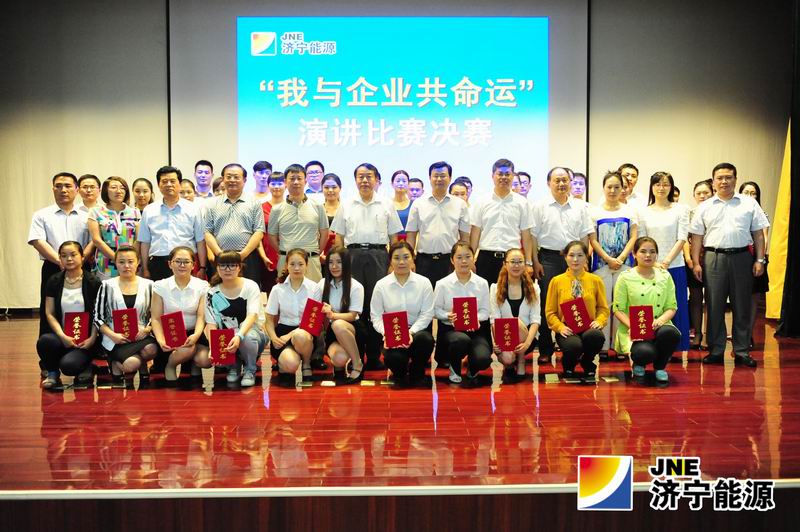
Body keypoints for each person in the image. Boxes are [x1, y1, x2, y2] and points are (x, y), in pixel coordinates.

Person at [690, 163, 769, 367]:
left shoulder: (749, 204)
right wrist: (696, 263)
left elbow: (758, 234)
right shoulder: (704, 206)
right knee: (714, 304)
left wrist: (760, 259)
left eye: (728, 177)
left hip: (742, 257)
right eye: (720, 178)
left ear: (735, 179)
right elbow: (697, 236)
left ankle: (741, 350)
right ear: (713, 181)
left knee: (741, 305)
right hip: (713, 258)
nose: (724, 181)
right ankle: (716, 350)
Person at [330, 163, 403, 371]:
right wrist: (340, 262)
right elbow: (339, 238)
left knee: (376, 306)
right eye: (360, 176)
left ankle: (373, 355)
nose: (364, 180)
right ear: (355, 180)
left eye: (369, 176)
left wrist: (392, 264)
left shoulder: (386, 204)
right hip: (352, 256)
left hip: (379, 255)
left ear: (377, 180)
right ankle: (356, 354)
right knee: (355, 305)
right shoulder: (346, 204)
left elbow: (394, 237)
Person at [529, 166, 594, 365]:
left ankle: (572, 346)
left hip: (575, 260)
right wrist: (535, 262)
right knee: (546, 304)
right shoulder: (539, 206)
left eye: (565, 180)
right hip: (548, 259)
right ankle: (546, 349)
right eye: (557, 180)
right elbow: (533, 236)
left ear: (570, 182)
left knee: (576, 301)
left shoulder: (580, 207)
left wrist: (584, 260)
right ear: (549, 183)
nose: (561, 184)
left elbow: (585, 236)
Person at [28, 172, 92, 339]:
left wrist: (79, 260)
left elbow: (94, 240)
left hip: (83, 267)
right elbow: (37, 240)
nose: (63, 190)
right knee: (50, 307)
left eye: (68, 186)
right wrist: (60, 261)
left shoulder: (88, 215)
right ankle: (50, 347)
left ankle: (85, 346)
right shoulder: (42, 215)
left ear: (76, 190)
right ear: (53, 189)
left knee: (85, 305)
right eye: (58, 186)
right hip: (53, 267)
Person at [613, 237, 681, 383]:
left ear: (657, 255)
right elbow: (618, 309)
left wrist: (661, 320)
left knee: (671, 334)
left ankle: (660, 367)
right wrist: (633, 326)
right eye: (643, 251)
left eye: (652, 252)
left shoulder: (665, 276)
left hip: (659, 324)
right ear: (634, 254)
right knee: (645, 352)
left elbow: (671, 307)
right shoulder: (625, 277)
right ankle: (639, 362)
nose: (648, 255)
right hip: (635, 328)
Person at [637, 171, 690, 353]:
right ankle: (650, 346)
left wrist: (666, 261)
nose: (661, 188)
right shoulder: (643, 211)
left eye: (666, 184)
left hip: (674, 266)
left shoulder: (681, 209)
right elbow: (642, 240)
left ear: (671, 187)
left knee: (675, 305)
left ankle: (676, 347)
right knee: (650, 306)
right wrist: (653, 262)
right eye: (657, 184)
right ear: (651, 187)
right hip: (649, 267)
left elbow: (682, 238)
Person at [36, 241, 102, 388]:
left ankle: (87, 365)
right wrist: (62, 336)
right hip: (63, 336)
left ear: (82, 257)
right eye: (64, 256)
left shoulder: (93, 282)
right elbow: (49, 313)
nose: (69, 259)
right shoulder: (54, 281)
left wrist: (92, 338)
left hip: (85, 340)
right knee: (45, 341)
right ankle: (53, 373)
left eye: (73, 254)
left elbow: (98, 314)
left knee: (69, 366)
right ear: (60, 258)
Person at [370, 241, 435, 387]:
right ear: (390, 261)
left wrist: (410, 332)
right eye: (396, 258)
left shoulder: (424, 283)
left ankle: (417, 372)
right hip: (392, 333)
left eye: (406, 257)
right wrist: (386, 333)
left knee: (426, 340)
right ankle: (399, 373)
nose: (401, 262)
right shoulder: (381, 285)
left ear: (413, 258)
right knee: (394, 358)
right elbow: (376, 316)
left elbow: (427, 314)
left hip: (416, 332)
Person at [589, 171, 638, 357]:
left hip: (624, 264)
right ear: (603, 188)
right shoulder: (594, 212)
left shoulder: (629, 211)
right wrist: (608, 259)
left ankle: (620, 345)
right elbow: (593, 239)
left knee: (620, 304)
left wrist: (622, 257)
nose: (612, 190)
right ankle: (601, 346)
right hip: (601, 265)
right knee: (603, 304)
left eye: (617, 187)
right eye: (609, 187)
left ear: (622, 189)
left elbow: (633, 236)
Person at [94, 246, 157, 386]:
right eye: (121, 262)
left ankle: (142, 365)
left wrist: (147, 329)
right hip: (116, 338)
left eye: (130, 261)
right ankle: (116, 363)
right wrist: (112, 335)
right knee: (131, 364)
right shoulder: (106, 285)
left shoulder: (149, 285)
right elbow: (98, 317)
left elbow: (156, 314)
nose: (126, 266)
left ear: (138, 262)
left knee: (151, 349)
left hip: (141, 335)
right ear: (115, 263)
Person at [545, 241, 608, 379]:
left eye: (580, 255)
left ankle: (587, 361)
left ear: (586, 257)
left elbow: (603, 308)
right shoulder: (556, 281)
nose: (575, 259)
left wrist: (599, 321)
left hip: (589, 326)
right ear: (565, 257)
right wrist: (560, 327)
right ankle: (569, 363)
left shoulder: (595, 280)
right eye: (571, 255)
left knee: (596, 336)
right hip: (567, 328)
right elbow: (550, 312)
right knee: (573, 346)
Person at [204, 250, 267, 387]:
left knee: (247, 337)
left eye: (232, 265)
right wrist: (213, 347)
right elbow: (211, 324)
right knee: (220, 344)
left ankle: (250, 369)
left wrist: (239, 335)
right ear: (217, 268)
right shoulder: (212, 292)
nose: (227, 269)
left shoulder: (250, 286)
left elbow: (252, 315)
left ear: (239, 267)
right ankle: (234, 366)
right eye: (223, 265)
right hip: (227, 334)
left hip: (252, 332)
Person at [433, 242, 492, 386]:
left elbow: (485, 311)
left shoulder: (482, 283)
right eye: (459, 257)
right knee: (460, 340)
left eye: (468, 256)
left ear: (473, 258)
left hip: (476, 330)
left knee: (483, 359)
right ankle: (455, 368)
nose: (464, 261)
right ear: (452, 260)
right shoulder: (442, 284)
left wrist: (475, 319)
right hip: (451, 331)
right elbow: (434, 310)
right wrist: (447, 315)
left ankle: (473, 367)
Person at [150, 246, 211, 384]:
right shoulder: (160, 286)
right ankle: (170, 365)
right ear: (170, 264)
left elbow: (201, 316)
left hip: (194, 332)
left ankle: (193, 362)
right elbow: (156, 318)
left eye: (186, 262)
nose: (182, 265)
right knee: (186, 350)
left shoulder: (202, 286)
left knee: (206, 360)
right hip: (170, 333)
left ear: (193, 265)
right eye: (178, 261)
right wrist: (161, 340)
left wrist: (196, 335)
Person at [406, 161, 470, 288]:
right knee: (424, 295)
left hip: (450, 262)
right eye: (435, 176)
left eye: (443, 176)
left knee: (450, 296)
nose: (439, 179)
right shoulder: (418, 204)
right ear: (430, 178)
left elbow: (464, 238)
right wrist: (410, 260)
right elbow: (411, 236)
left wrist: (466, 259)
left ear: (450, 178)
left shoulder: (460, 205)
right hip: (423, 261)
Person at [470, 158, 534, 285]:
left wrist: (528, 262)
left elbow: (526, 235)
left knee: (510, 294)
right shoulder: (481, 201)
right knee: (485, 294)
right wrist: (471, 259)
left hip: (512, 259)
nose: (503, 177)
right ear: (492, 176)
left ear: (512, 176)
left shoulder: (522, 202)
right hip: (486, 258)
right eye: (500, 174)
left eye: (507, 174)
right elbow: (475, 233)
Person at [138, 166, 207, 282]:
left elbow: (200, 241)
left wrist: (202, 267)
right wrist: (145, 268)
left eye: (172, 181)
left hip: (186, 263)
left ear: (179, 184)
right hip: (157, 263)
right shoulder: (149, 210)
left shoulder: (193, 209)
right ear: (159, 185)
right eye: (164, 181)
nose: (169, 184)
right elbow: (145, 242)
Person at [204, 163, 266, 284]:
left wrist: (243, 254)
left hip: (248, 257)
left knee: (248, 290)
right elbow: (207, 232)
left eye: (236, 177)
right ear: (223, 179)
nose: (232, 180)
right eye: (229, 177)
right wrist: (219, 254)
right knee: (220, 292)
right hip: (221, 257)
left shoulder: (254, 203)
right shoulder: (212, 204)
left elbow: (259, 231)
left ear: (244, 180)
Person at [264, 249, 317, 386]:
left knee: (300, 335)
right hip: (282, 333)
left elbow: (313, 322)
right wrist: (273, 337)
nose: (296, 268)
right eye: (292, 264)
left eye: (300, 264)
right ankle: (285, 365)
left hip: (307, 333)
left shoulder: (314, 288)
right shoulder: (278, 289)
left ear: (307, 265)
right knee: (290, 364)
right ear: (286, 265)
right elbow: (269, 319)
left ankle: (306, 364)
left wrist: (290, 335)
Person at [312, 246, 365, 383]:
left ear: (346, 264)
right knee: (339, 357)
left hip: (353, 329)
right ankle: (339, 368)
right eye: (330, 262)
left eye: (339, 262)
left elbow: (352, 316)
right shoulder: (322, 284)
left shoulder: (356, 286)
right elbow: (314, 311)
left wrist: (332, 315)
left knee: (338, 324)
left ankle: (357, 363)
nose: (334, 266)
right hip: (333, 332)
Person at [267, 164, 329, 282]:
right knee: (285, 293)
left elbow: (324, 233)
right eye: (292, 178)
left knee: (313, 293)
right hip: (286, 262)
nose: (296, 182)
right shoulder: (276, 209)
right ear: (285, 182)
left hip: (311, 261)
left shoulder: (317, 206)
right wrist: (284, 252)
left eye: (299, 178)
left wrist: (315, 253)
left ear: (305, 181)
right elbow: (272, 236)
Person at [489, 248, 541, 383]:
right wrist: (495, 343)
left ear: (525, 264)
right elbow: (494, 320)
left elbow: (536, 320)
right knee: (507, 358)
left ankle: (521, 359)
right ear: (505, 264)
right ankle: (510, 365)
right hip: (505, 335)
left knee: (516, 322)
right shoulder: (495, 288)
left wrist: (527, 343)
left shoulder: (534, 288)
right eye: (512, 262)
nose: (516, 265)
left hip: (527, 336)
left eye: (520, 262)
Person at [87, 176, 141, 280]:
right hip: (105, 264)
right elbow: (97, 240)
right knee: (106, 290)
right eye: (114, 187)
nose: (119, 191)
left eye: (122, 188)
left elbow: (138, 240)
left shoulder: (135, 212)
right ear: (105, 190)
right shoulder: (95, 211)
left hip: (130, 264)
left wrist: (128, 259)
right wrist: (117, 259)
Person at [739, 181, 770, 347]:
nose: (750, 196)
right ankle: (738, 334)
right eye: (746, 192)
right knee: (738, 299)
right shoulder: (736, 213)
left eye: (753, 193)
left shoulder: (761, 214)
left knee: (753, 299)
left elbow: (764, 238)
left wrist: (760, 259)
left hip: (757, 258)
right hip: (739, 257)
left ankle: (748, 335)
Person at [684, 179, 714, 349]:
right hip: (693, 261)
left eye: (706, 193)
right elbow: (684, 239)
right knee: (695, 297)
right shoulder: (690, 213)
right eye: (699, 193)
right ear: (694, 196)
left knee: (712, 298)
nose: (702, 196)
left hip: (712, 259)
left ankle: (710, 334)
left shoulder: (717, 211)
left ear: (713, 193)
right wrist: (690, 260)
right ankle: (697, 333)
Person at [258, 172, 285, 293]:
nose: (276, 187)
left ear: (286, 185)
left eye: (280, 183)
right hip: (267, 256)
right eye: (273, 184)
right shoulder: (261, 207)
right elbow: (258, 234)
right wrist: (263, 256)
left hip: (287, 255)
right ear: (268, 185)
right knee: (269, 291)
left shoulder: (291, 206)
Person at [320, 173, 342, 263]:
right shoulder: (318, 210)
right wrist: (320, 253)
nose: (330, 190)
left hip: (342, 255)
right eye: (326, 187)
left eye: (334, 187)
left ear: (340, 188)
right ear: (322, 188)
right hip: (321, 256)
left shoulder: (346, 209)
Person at [390, 170, 412, 238]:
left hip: (410, 240)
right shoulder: (387, 204)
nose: (401, 183)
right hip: (390, 240)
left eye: (404, 181)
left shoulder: (413, 205)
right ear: (392, 184)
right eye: (398, 181)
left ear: (408, 184)